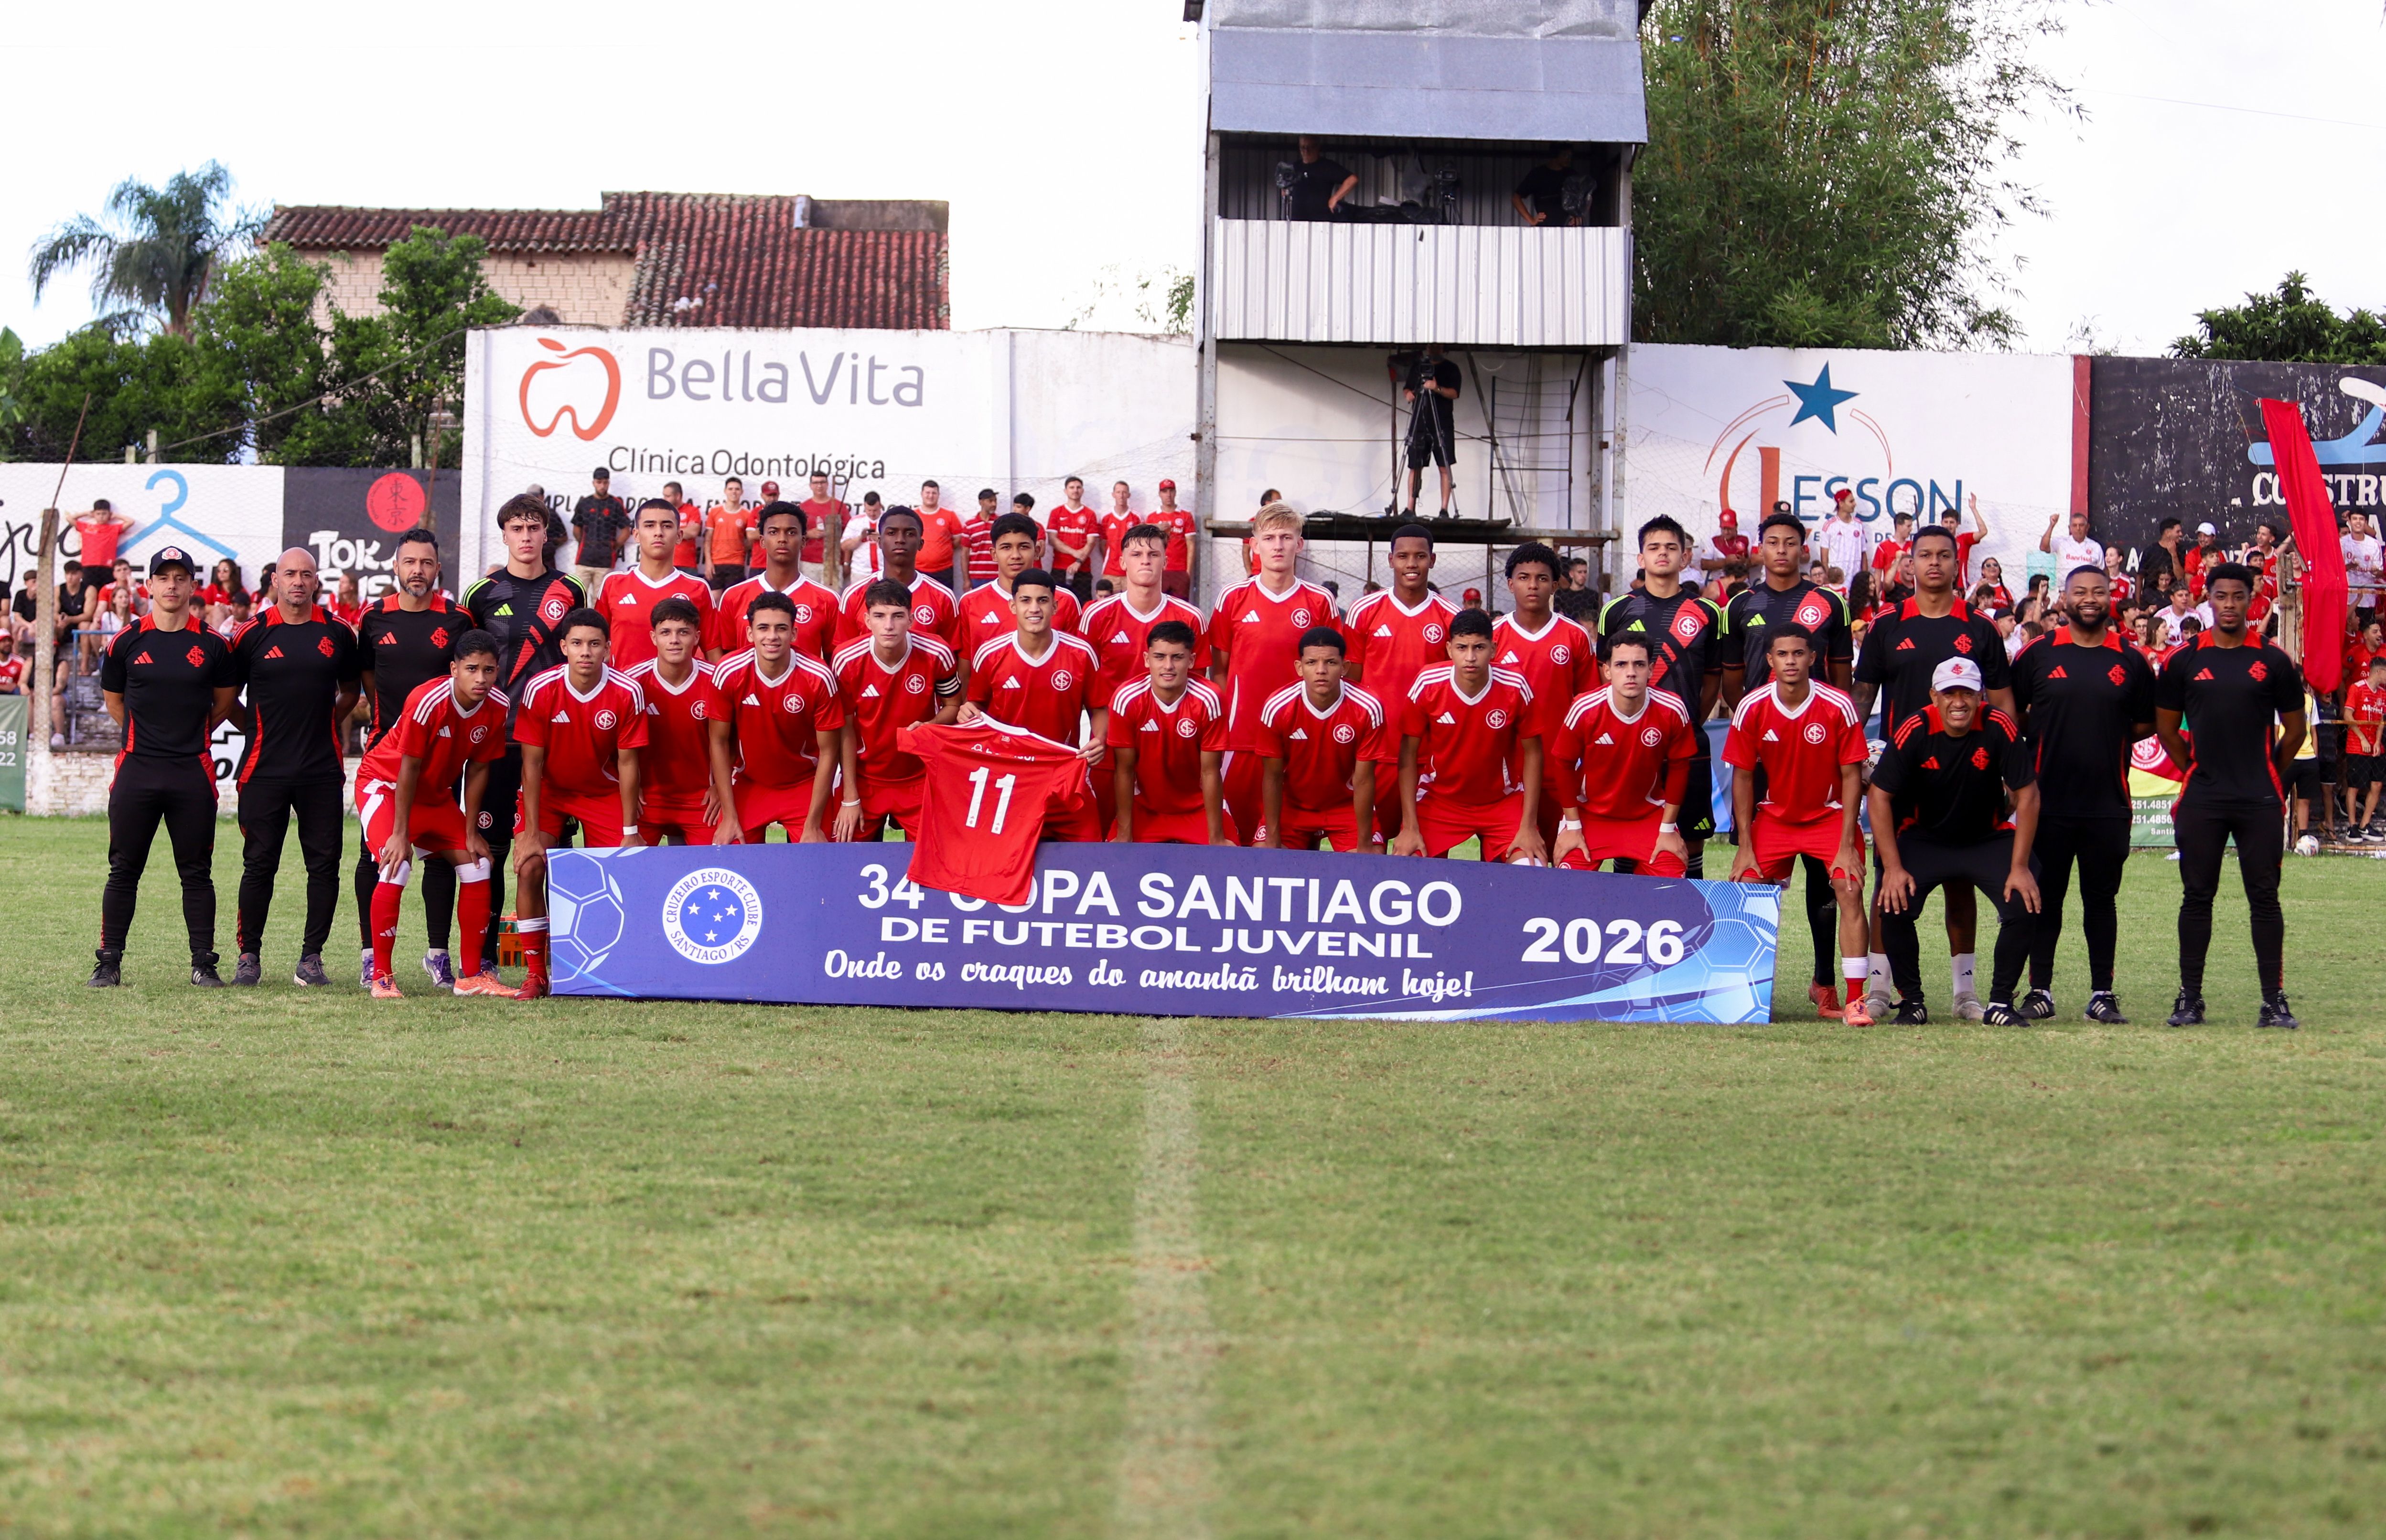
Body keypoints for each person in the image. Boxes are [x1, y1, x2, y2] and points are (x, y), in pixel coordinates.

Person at [1851, 524, 2014, 1024]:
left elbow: (2003, 700)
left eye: (1945, 555)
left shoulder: (1979, 626)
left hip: (1970, 773)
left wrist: (2011, 766)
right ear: (1910, 561)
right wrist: (1856, 757)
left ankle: (1964, 993)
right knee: (1890, 883)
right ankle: (1880, 988)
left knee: (1960, 881)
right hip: (1902, 778)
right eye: (1925, 555)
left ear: (1955, 562)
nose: (1935, 564)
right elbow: (1862, 696)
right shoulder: (1887, 623)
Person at [2154, 563, 2305, 1029]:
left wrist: (2266, 778)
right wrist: (2195, 772)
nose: (2229, 605)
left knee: (2264, 898)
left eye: (2237, 597)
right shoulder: (2183, 660)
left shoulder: (2273, 659)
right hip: (2203, 799)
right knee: (2196, 896)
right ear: (2208, 597)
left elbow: (2295, 730)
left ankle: (2272, 1000)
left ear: (2249, 598)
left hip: (2257, 798)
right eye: (2220, 596)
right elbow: (2165, 727)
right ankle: (2188, 998)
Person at [1722, 510, 1857, 1018]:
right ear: (1759, 549)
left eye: (1790, 543)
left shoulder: (1828, 604)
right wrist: (1758, 726)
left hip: (1816, 747)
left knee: (1827, 880)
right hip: (1763, 750)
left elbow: (1841, 679)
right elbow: (1733, 682)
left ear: (1804, 548)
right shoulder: (1739, 604)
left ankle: (1824, 982)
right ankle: (1745, 991)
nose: (1780, 550)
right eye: (1772, 542)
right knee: (1754, 873)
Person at [2009, 564, 2158, 1023]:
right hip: (2046, 804)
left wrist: (2103, 733)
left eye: (2098, 591)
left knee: (2101, 901)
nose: (2089, 599)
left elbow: (2146, 722)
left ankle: (2102, 993)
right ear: (2064, 600)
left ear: (2111, 598)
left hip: (2106, 805)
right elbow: (2012, 717)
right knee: (2044, 901)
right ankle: (2040, 991)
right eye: (2080, 592)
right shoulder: (2037, 654)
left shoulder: (2129, 659)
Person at [88, 545, 239, 989]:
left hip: (192, 770)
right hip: (137, 769)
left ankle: (203, 964)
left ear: (193, 586)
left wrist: (190, 732)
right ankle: (109, 961)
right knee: (124, 869)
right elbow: (114, 701)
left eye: (181, 578)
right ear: (148, 585)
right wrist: (146, 734)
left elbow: (226, 701)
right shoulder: (126, 641)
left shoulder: (213, 644)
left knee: (196, 872)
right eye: (164, 578)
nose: (172, 586)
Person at [1866, 657, 2042, 1026]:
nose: (1958, 702)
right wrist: (1894, 868)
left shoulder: (1999, 725)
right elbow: (1879, 795)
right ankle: (1912, 1002)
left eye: (1967, 693)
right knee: (1892, 903)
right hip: (1925, 837)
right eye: (1949, 693)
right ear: (1934, 696)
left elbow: (2028, 795)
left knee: (2025, 902)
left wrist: (2021, 867)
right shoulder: (1915, 728)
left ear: (1981, 695)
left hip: (1985, 837)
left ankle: (1999, 1004)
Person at [461, 494, 587, 979]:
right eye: (518, 528)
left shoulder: (570, 589)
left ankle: (564, 954)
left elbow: (578, 659)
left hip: (553, 742)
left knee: (553, 851)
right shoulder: (481, 594)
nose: (527, 537)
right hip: (494, 742)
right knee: (488, 850)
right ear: (505, 535)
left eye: (535, 527)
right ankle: (486, 957)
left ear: (547, 534)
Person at [1724, 625, 1874, 1025]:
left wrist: (1846, 843)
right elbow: (1741, 776)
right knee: (1745, 886)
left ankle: (1856, 1000)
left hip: (1828, 816)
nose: (1791, 661)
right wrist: (1744, 844)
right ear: (1770, 661)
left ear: (1813, 658)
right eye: (1782, 654)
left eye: (1798, 654)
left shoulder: (1837, 705)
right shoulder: (1752, 706)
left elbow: (1851, 775)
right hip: (1776, 817)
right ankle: (1740, 996)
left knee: (1850, 886)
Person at [228, 546, 361, 989]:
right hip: (263, 769)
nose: (299, 582)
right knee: (258, 864)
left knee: (324, 865)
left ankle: (312, 957)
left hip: (321, 769)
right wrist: (251, 727)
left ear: (316, 581)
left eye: (307, 574)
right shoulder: (252, 634)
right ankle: (249, 955)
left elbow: (350, 691)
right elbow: (228, 699)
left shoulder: (338, 632)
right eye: (290, 574)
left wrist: (325, 723)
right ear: (275, 582)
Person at [355, 633, 507, 1000]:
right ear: (454, 669)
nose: (481, 678)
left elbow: (479, 769)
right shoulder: (427, 700)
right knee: (396, 864)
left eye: (489, 670)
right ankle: (382, 977)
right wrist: (400, 834)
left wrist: (471, 831)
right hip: (386, 785)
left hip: (435, 797)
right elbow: (408, 769)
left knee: (478, 864)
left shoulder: (497, 705)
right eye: (472, 669)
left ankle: (471, 977)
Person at [509, 608, 649, 999]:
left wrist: (630, 832)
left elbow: (627, 762)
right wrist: (532, 833)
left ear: (608, 648)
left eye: (594, 644)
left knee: (625, 870)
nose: (585, 652)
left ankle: (620, 966)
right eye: (577, 644)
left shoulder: (627, 691)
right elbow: (531, 764)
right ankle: (537, 974)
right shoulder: (541, 688)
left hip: (601, 791)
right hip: (550, 791)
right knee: (530, 867)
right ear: (563, 648)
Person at [354, 528, 468, 988]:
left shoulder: (458, 620)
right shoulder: (374, 618)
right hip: (388, 756)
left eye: (426, 563)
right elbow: (367, 679)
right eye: (409, 562)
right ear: (396, 568)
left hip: (441, 758)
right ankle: (370, 956)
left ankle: (438, 954)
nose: (417, 570)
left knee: (441, 855)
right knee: (376, 856)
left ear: (438, 569)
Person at [1208, 503, 1345, 843]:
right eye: (1269, 538)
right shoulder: (1232, 597)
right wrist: (1230, 724)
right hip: (1243, 741)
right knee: (1236, 839)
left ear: (1300, 544)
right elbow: (1220, 671)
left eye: (1287, 537)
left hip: (1303, 742)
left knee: (1296, 841)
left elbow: (1339, 670)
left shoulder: (1320, 601)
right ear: (1255, 545)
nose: (1278, 545)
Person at [1598, 516, 1726, 876]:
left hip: (1688, 743)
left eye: (1671, 548)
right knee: (1628, 841)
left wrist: (1686, 724)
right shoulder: (1618, 610)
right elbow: (1603, 677)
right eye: (1654, 548)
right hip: (1630, 744)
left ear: (1685, 558)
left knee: (1690, 845)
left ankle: (1692, 925)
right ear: (1641, 558)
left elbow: (1713, 680)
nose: (1663, 555)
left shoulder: (1708, 613)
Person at [1391, 608, 1547, 863]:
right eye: (1462, 648)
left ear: (1494, 649)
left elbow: (1534, 752)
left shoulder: (1515, 685)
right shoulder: (1428, 684)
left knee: (1531, 869)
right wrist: (1409, 826)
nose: (1471, 657)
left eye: (1479, 647)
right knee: (1411, 868)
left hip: (1502, 802)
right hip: (1440, 801)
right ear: (1449, 649)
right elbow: (1407, 754)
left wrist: (1528, 825)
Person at [963, 569, 1106, 840]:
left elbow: (1098, 708)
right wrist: (966, 711)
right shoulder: (990, 654)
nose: (1034, 609)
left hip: (1064, 774)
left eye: (1042, 601)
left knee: (1090, 852)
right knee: (1005, 863)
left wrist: (1099, 739)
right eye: (1026, 601)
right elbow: (976, 707)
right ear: (1013, 606)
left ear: (1055, 605)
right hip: (1008, 778)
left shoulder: (1081, 654)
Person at [1547, 634, 1695, 876]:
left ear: (1651, 670)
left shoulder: (1672, 709)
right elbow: (1563, 765)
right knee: (1568, 888)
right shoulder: (1584, 709)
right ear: (1607, 671)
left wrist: (1668, 829)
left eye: (1639, 664)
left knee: (1670, 885)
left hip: (1648, 817)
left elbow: (1680, 767)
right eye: (1621, 664)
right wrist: (1572, 826)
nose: (1631, 672)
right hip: (1589, 816)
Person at [1347, 524, 1458, 843]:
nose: (1412, 564)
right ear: (1391, 560)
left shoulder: (1450, 616)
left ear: (1432, 560)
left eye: (1420, 556)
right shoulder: (1364, 611)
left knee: (1424, 851)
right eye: (1404, 557)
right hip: (1375, 752)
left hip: (1429, 757)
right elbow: (1352, 687)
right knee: (1371, 847)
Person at [830, 579, 963, 841]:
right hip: (865, 778)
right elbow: (843, 728)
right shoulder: (846, 660)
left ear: (911, 620)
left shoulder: (938, 653)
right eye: (880, 616)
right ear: (867, 620)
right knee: (844, 856)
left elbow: (954, 706)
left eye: (898, 616)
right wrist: (849, 796)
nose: (889, 626)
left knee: (937, 856)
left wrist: (930, 726)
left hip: (920, 776)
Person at [716, 591, 848, 843]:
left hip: (804, 784)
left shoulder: (819, 677)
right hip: (750, 782)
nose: (772, 637)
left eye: (781, 628)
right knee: (729, 851)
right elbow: (719, 742)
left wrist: (812, 824)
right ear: (750, 634)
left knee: (815, 855)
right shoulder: (728, 672)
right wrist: (730, 816)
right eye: (763, 628)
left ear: (794, 634)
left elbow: (829, 751)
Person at [1494, 542, 1598, 848]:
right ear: (1511, 584)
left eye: (1542, 578)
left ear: (1555, 585)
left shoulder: (1574, 635)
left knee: (1563, 857)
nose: (1533, 585)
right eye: (1524, 577)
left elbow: (1589, 705)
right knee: (1516, 860)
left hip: (1561, 767)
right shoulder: (1494, 636)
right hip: (1510, 773)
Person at [1255, 627, 1386, 851]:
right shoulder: (1277, 708)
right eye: (1312, 663)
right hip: (1293, 807)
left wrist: (1364, 845)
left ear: (1345, 667)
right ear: (1299, 667)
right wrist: (1273, 840)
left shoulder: (1368, 707)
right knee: (1265, 857)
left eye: (1331, 663)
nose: (1321, 670)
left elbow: (1364, 781)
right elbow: (1272, 777)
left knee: (1369, 862)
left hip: (1346, 806)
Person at [625, 597, 740, 849]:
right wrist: (627, 790)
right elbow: (613, 743)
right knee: (625, 868)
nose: (674, 640)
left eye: (683, 633)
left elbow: (733, 740)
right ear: (654, 637)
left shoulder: (717, 679)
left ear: (697, 638)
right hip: (646, 798)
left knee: (728, 857)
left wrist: (720, 787)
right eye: (666, 632)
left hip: (701, 799)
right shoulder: (631, 683)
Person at [1109, 621, 1235, 845]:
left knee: (1229, 858)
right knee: (1115, 860)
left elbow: (1210, 772)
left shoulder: (1210, 699)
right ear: (1147, 659)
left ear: (1192, 660)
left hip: (1198, 808)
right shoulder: (1126, 699)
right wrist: (1124, 835)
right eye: (1160, 657)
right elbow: (1124, 771)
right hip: (1145, 808)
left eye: (1177, 657)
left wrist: (1216, 839)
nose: (1168, 666)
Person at [595, 499, 718, 671]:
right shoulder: (613, 584)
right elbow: (595, 644)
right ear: (636, 535)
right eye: (650, 525)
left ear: (679, 536)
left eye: (667, 526)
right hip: (625, 694)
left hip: (678, 695)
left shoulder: (698, 588)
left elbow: (713, 654)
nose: (658, 532)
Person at [711, 503, 836, 663]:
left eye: (791, 532)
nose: (782, 539)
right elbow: (726, 659)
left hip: (803, 688)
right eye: (774, 532)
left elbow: (834, 663)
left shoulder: (827, 600)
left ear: (803, 541)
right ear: (762, 541)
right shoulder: (733, 596)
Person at [835, 506, 965, 657]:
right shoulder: (854, 595)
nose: (900, 540)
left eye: (910, 534)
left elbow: (951, 656)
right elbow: (842, 654)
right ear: (880, 542)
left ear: (921, 543)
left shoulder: (943, 597)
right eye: (891, 533)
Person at [963, 512, 1084, 649]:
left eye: (1024, 547)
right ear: (994, 554)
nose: (1016, 555)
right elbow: (966, 664)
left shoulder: (1065, 601)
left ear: (1037, 551)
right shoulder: (970, 603)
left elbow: (1076, 658)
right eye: (1006, 547)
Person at [1400, 345, 1462, 519]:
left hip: (1442, 424)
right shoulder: (1417, 367)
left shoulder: (1451, 368)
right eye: (1430, 346)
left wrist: (1436, 388)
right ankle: (1410, 508)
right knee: (1415, 465)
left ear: (1443, 348)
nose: (1433, 350)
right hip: (1419, 421)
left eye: (1437, 347)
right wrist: (1409, 394)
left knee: (1444, 466)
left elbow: (1455, 393)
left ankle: (1444, 510)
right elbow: (1407, 388)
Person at [2341, 654, 2386, 840]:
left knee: (2377, 784)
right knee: (2354, 786)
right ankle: (2352, 826)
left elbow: (2381, 720)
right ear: (2379, 671)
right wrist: (2362, 739)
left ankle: (2365, 824)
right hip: (2356, 746)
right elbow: (2347, 715)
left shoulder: (2383, 694)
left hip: (2375, 746)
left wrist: (2377, 741)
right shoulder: (2357, 688)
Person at [570, 468, 633, 594]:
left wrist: (612, 547)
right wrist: (585, 543)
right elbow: (577, 529)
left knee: (599, 599)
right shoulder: (585, 503)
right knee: (578, 596)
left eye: (605, 483)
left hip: (605, 561)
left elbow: (626, 531)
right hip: (584, 560)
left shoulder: (616, 504)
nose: (602, 486)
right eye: (599, 482)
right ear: (594, 483)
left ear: (609, 483)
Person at [1046, 476, 1099, 600]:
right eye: (1072, 487)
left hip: (1082, 570)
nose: (1075, 490)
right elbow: (1053, 540)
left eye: (1078, 487)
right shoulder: (1056, 513)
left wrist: (1078, 562)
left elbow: (1091, 542)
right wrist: (1075, 553)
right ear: (1066, 491)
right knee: (1058, 605)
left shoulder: (1090, 514)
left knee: (1082, 606)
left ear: (1083, 491)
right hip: (1060, 569)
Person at [702, 476, 759, 590]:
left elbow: (751, 539)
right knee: (715, 598)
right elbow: (708, 538)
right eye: (731, 489)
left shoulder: (747, 514)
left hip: (736, 563)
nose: (734, 492)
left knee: (732, 599)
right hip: (716, 562)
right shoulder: (715, 511)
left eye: (737, 489)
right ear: (725, 491)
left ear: (742, 492)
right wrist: (708, 562)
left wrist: (739, 548)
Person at [910, 481, 964, 595]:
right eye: (928, 493)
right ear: (922, 494)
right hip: (918, 570)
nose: (931, 496)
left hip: (944, 572)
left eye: (934, 493)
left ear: (939, 495)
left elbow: (958, 540)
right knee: (919, 603)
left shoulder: (949, 515)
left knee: (945, 603)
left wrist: (941, 551)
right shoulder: (913, 515)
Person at [1286, 135, 1357, 221]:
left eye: (1309, 148)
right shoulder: (1295, 168)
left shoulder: (1327, 167)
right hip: (1297, 220)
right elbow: (1285, 187)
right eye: (1303, 148)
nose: (1306, 151)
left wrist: (1335, 199)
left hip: (1321, 221)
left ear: (1317, 148)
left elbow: (1352, 179)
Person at [798, 471, 848, 586]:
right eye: (816, 483)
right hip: (809, 561)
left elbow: (847, 536)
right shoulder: (803, 507)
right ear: (811, 486)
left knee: (831, 598)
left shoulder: (840, 507)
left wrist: (846, 563)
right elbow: (795, 534)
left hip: (833, 562)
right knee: (809, 597)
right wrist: (809, 534)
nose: (819, 486)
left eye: (822, 482)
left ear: (827, 484)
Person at [1511, 145, 1582, 226]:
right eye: (1566, 155)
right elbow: (1516, 198)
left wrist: (1578, 216)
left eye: (1570, 156)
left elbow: (1585, 197)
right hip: (1544, 227)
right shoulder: (1538, 174)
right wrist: (1531, 220)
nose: (1569, 159)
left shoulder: (1572, 175)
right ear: (1556, 155)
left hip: (1568, 227)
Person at [1152, 479, 1197, 600]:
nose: (1168, 495)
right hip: (1160, 571)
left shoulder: (1186, 516)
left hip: (1180, 571)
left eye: (1171, 491)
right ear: (1160, 494)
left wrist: (1188, 572)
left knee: (1180, 609)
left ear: (1175, 493)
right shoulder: (1153, 517)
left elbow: (1191, 544)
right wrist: (1156, 528)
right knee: (1159, 608)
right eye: (1165, 491)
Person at [72, 498, 134, 582]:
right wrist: (86, 513)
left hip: (107, 565)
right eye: (98, 514)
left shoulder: (114, 528)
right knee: (90, 591)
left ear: (109, 514)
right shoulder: (87, 527)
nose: (101, 516)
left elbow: (131, 522)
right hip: (88, 565)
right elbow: (70, 519)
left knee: (107, 591)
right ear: (94, 514)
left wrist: (116, 516)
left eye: (104, 514)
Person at [1816, 491, 1869, 583]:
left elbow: (1863, 554)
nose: (1855, 504)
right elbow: (1824, 558)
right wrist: (1829, 580)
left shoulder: (1858, 525)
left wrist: (1865, 578)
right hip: (1837, 579)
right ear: (1841, 504)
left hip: (1855, 580)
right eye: (1851, 501)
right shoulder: (1830, 525)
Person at [959, 488, 1002, 592]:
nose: (994, 504)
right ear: (981, 502)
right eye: (990, 501)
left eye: (995, 501)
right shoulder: (970, 525)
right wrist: (966, 580)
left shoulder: (1001, 523)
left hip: (999, 576)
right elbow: (964, 554)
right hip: (977, 577)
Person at [2040, 509, 2105, 578]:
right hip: (2066, 587)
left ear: (2087, 527)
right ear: (2070, 528)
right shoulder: (2061, 542)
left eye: (2081, 525)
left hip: (2087, 587)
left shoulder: (2095, 547)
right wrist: (2052, 525)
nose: (2078, 529)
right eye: (2074, 525)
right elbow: (2044, 548)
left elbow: (2102, 570)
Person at [2343, 510, 2384, 612]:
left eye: (2361, 519)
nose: (2358, 522)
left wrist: (2375, 572)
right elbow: (2337, 571)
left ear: (2366, 522)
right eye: (2355, 519)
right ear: (2350, 521)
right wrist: (2350, 566)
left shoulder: (2374, 544)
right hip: (2347, 599)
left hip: (2368, 600)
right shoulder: (2342, 543)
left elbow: (2380, 573)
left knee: (2368, 628)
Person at [842, 491, 884, 584]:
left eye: (875, 510)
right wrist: (860, 538)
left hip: (884, 572)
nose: (872, 514)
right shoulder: (856, 521)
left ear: (880, 506)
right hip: (860, 572)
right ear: (864, 506)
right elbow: (844, 546)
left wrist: (882, 540)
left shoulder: (889, 520)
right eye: (869, 510)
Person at [2138, 517, 2184, 598]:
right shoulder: (2150, 551)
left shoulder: (2180, 550)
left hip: (2171, 598)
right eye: (2178, 532)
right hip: (2151, 599)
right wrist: (2138, 601)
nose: (2181, 535)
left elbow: (2180, 577)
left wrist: (2174, 555)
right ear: (2168, 533)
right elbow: (2140, 577)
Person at [663, 481, 703, 576]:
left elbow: (693, 532)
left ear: (678, 496)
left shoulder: (692, 511)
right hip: (666, 563)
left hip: (687, 565)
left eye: (668, 496)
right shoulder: (662, 513)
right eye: (664, 496)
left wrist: (668, 532)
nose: (664, 499)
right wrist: (683, 532)